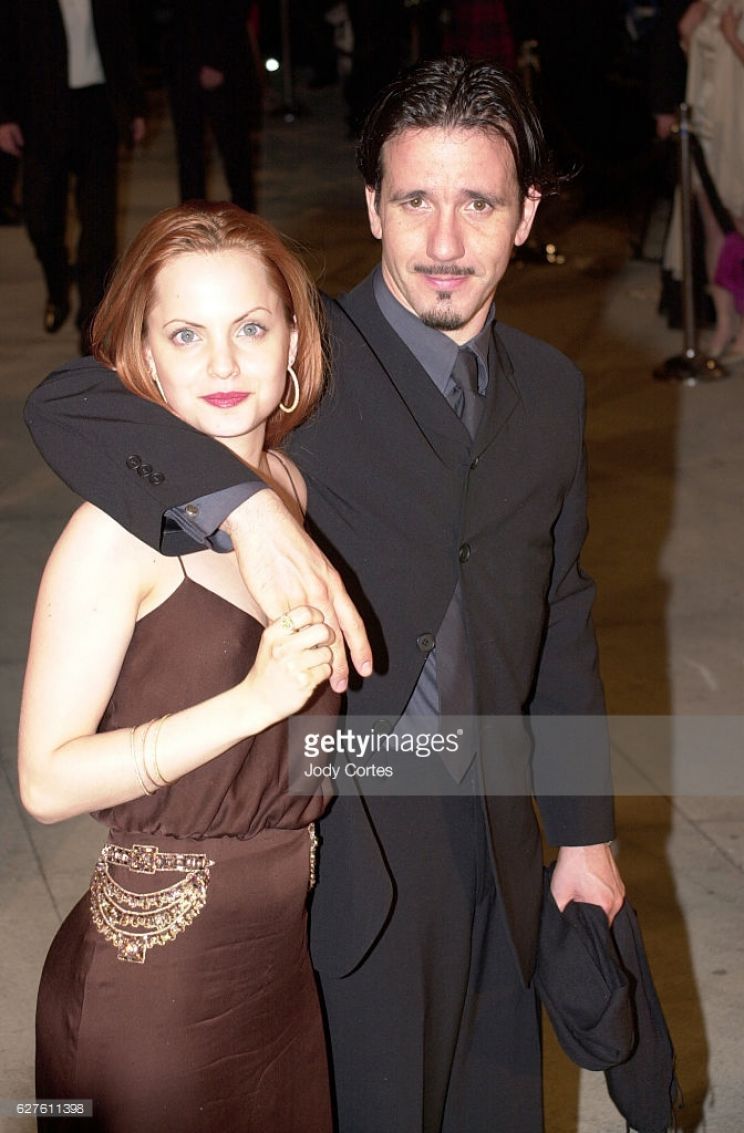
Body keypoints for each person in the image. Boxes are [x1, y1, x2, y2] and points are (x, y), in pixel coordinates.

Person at [25, 59, 625, 1132]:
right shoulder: (298, 360)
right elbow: (72, 399)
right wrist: (246, 508)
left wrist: (584, 834)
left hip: (498, 835)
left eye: (479, 202)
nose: (445, 240)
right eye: (415, 200)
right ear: (373, 207)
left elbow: (562, 615)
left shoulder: (552, 389)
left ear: (528, 213)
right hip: (351, 845)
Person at [18, 203, 339, 1133]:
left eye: (251, 328)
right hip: (151, 992)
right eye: (187, 335)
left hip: (282, 972)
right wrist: (252, 701)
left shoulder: (295, 490)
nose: (224, 364)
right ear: (147, 359)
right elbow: (45, 781)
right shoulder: (111, 536)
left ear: (293, 344)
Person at [0, 1, 145, 351]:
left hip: (98, 111)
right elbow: (5, 52)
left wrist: (135, 107)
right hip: (41, 112)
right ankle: (58, 284)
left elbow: (125, 45)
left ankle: (91, 321)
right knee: (40, 218)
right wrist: (5, 117)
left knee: (99, 224)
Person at [677, 0, 744, 358]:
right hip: (709, 126)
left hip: (740, 128)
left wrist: (733, 39)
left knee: (740, 224)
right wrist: (688, 35)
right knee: (713, 227)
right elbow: (703, 69)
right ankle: (724, 320)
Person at [157, 1, 261, 212]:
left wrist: (217, 63)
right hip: (182, 63)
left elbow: (236, 11)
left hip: (226, 63)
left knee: (236, 152)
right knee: (189, 155)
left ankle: (244, 223)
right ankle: (193, 221)